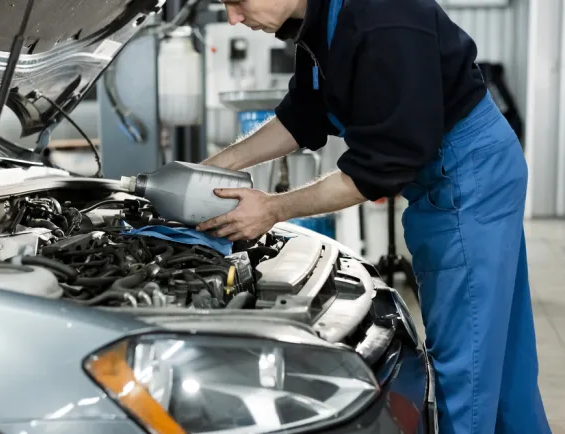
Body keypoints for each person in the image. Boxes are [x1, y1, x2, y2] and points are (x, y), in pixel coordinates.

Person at [196, 0, 553, 432]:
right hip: (458, 166)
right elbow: (303, 114)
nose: (233, 17)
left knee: (466, 367)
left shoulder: (382, 16)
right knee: (502, 355)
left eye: (237, 1)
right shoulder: (322, 19)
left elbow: (382, 164)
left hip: (466, 174)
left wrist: (272, 209)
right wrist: (214, 167)